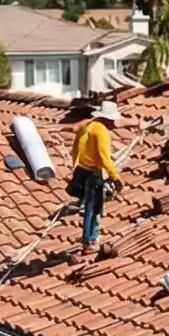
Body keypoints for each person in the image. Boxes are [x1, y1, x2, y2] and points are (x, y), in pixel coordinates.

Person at [68, 99, 120, 248]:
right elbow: (105, 158)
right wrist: (116, 178)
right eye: (111, 122)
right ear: (105, 119)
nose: (113, 126)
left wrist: (75, 169)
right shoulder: (101, 130)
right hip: (93, 173)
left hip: (81, 170)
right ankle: (89, 240)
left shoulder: (85, 126)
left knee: (90, 207)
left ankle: (89, 238)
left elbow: (75, 150)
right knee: (94, 208)